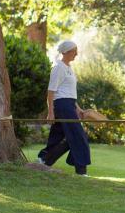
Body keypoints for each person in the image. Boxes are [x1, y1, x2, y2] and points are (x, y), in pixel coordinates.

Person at [37, 40, 91, 175]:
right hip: (62, 106)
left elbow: (70, 92)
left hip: (69, 105)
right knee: (79, 136)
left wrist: (77, 108)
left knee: (58, 136)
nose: (76, 54)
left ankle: (45, 159)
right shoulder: (58, 68)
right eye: (74, 51)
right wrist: (50, 112)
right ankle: (81, 171)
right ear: (65, 52)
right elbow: (51, 91)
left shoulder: (69, 68)